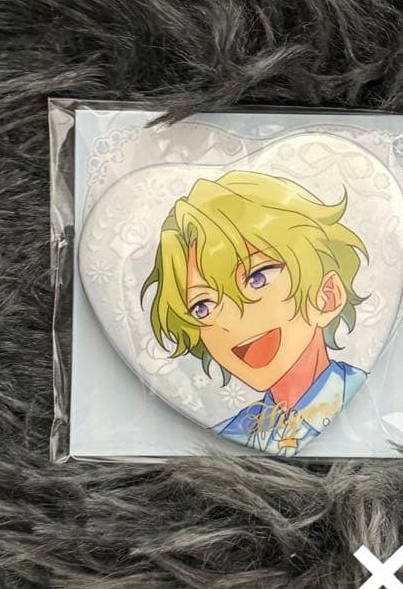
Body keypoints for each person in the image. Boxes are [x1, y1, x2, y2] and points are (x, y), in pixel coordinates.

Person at [141, 169, 367, 455]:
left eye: (256, 278)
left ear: (327, 296)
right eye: (202, 306)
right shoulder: (226, 437)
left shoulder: (371, 399)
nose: (230, 321)